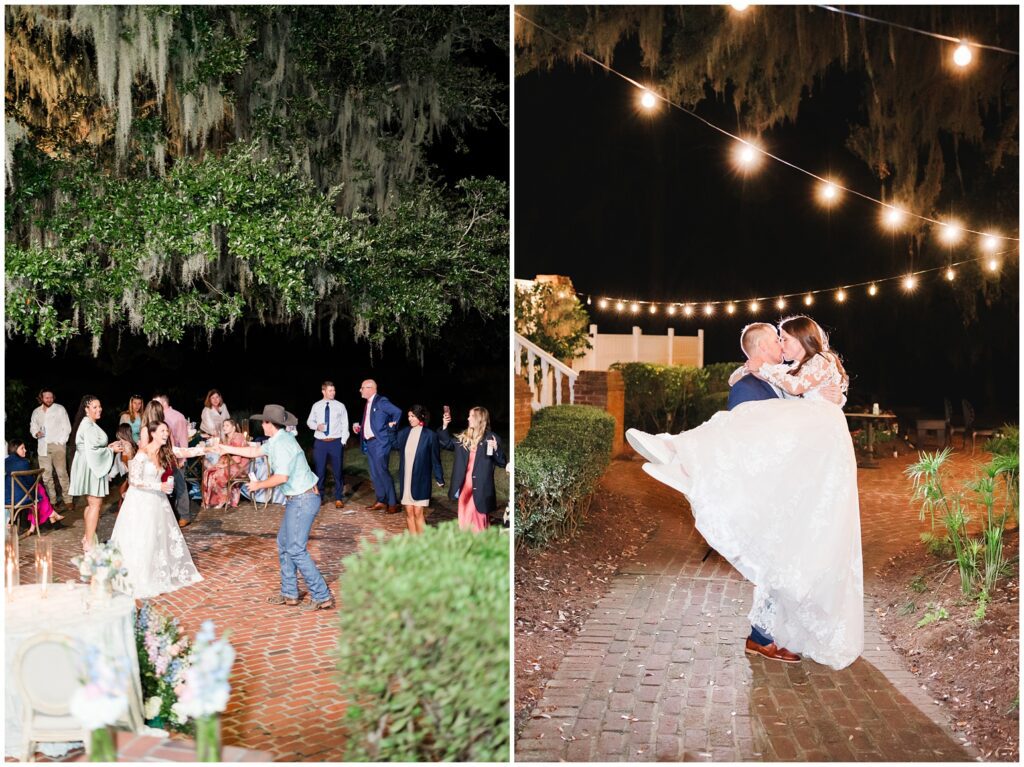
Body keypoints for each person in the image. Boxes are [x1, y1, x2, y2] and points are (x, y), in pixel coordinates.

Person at [629, 318, 863, 670]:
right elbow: (749, 429)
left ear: (802, 339)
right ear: (761, 348)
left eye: (784, 339)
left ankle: (776, 635)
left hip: (816, 468)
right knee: (785, 557)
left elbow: (805, 393)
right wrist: (748, 372)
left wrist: (835, 394)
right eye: (777, 341)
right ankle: (678, 450)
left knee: (807, 551)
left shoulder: (805, 366)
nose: (781, 347)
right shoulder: (760, 379)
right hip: (788, 478)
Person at [210, 405, 334, 611]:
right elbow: (254, 451)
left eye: (264, 421)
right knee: (284, 543)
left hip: (303, 499)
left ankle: (321, 595)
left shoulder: (283, 444)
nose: (261, 424)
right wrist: (226, 448)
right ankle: (290, 593)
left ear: (270, 424)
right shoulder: (276, 440)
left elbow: (281, 477)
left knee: (295, 548)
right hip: (297, 499)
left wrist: (258, 485)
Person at [109, 420, 204, 599]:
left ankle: (155, 573)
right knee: (142, 536)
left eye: (167, 431)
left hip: (158, 502)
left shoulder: (166, 451)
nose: (166, 434)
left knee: (156, 537)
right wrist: (158, 486)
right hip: (140, 502)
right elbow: (134, 480)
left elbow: (186, 452)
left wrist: (210, 449)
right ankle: (140, 576)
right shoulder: (141, 455)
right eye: (162, 431)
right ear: (153, 434)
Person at [68, 396, 124, 551]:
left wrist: (109, 447)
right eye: (94, 407)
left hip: (88, 465)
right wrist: (111, 450)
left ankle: (87, 537)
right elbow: (92, 451)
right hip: (92, 466)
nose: (99, 409)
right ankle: (89, 544)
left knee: (91, 503)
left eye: (99, 406)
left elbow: (94, 447)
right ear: (86, 409)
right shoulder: (88, 426)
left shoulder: (89, 424)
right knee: (95, 504)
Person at [439, 406, 507, 532]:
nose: (468, 418)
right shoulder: (464, 438)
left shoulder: (491, 438)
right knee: (464, 519)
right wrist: (444, 426)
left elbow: (501, 462)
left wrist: (496, 449)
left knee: (478, 520)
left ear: (479, 419)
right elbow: (446, 444)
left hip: (481, 487)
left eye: (471, 416)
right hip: (465, 486)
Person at [352, 380, 402, 513]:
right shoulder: (368, 403)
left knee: (382, 472)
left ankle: (393, 503)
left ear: (370, 388)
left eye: (362, 388)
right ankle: (381, 500)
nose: (360, 390)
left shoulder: (381, 401)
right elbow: (373, 422)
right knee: (374, 474)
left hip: (380, 443)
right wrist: (361, 429)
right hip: (370, 443)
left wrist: (392, 425)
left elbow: (397, 412)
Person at [395, 405, 444, 534]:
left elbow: (435, 458)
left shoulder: (430, 435)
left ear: (420, 417)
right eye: (409, 416)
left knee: (418, 512)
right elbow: (394, 444)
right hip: (407, 478)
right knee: (409, 511)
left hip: (421, 479)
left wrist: (439, 477)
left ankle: (422, 544)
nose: (410, 419)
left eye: (413, 416)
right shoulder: (405, 432)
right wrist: (390, 429)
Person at [306, 381, 349, 509]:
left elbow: (345, 424)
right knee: (320, 471)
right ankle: (320, 497)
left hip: (335, 442)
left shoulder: (340, 406)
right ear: (323, 391)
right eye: (330, 391)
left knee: (338, 471)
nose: (333, 393)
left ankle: (338, 498)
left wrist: (343, 441)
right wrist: (316, 426)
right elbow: (309, 421)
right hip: (320, 443)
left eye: (334, 390)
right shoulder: (316, 406)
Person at [153, 393, 193, 528]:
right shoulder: (157, 417)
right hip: (161, 457)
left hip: (175, 457)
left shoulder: (177, 417)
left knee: (180, 485)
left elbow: (183, 439)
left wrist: (183, 458)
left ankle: (185, 515)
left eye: (156, 403)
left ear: (163, 403)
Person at [28, 388, 72, 511]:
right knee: (46, 476)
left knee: (62, 473)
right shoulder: (36, 412)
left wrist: (61, 442)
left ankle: (68, 500)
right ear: (41, 398)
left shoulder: (60, 409)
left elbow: (67, 427)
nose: (49, 399)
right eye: (46, 397)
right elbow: (33, 426)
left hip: (57, 445)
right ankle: (52, 501)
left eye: (51, 397)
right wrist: (36, 433)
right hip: (43, 447)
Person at [5, 439, 61, 533]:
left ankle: (48, 518)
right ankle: (50, 515)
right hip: (19, 499)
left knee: (38, 489)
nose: (25, 450)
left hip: (6, 497)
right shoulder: (24, 463)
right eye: (22, 448)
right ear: (15, 449)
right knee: (39, 489)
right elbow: (31, 483)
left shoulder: (5, 462)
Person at [201, 418, 250, 509]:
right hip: (230, 465)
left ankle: (222, 500)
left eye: (227, 425)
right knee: (207, 472)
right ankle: (209, 501)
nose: (224, 427)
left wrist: (223, 465)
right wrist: (219, 464)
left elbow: (237, 457)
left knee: (217, 475)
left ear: (234, 428)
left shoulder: (238, 437)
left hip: (239, 467)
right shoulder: (227, 439)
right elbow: (224, 455)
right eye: (223, 425)